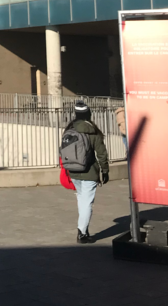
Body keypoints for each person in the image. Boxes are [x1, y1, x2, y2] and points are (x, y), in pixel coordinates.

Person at [64, 101, 109, 244]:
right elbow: (101, 153)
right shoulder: (92, 130)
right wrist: (105, 170)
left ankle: (83, 228)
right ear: (88, 114)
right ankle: (82, 233)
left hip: (73, 171)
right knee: (87, 203)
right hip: (89, 171)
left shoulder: (69, 129)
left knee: (81, 199)